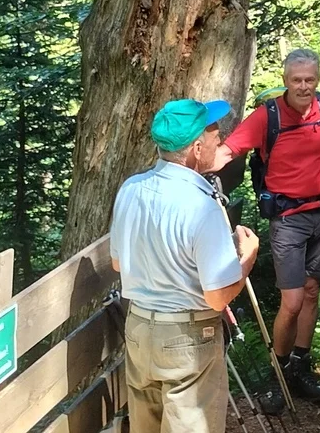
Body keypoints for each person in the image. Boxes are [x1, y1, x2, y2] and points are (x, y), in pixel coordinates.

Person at [110, 98, 261, 433]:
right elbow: (218, 298)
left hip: (138, 328)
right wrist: (246, 257)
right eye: (212, 135)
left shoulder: (130, 189)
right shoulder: (200, 205)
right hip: (188, 338)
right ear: (196, 148)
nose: (219, 138)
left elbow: (118, 263)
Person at [212, 49, 320, 404]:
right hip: (288, 218)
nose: (304, 87)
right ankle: (278, 373)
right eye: (296, 80)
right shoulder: (266, 116)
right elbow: (229, 150)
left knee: (313, 290)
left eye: (310, 80)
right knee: (293, 300)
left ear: (318, 79)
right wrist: (189, 170)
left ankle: (300, 367)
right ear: (285, 80)